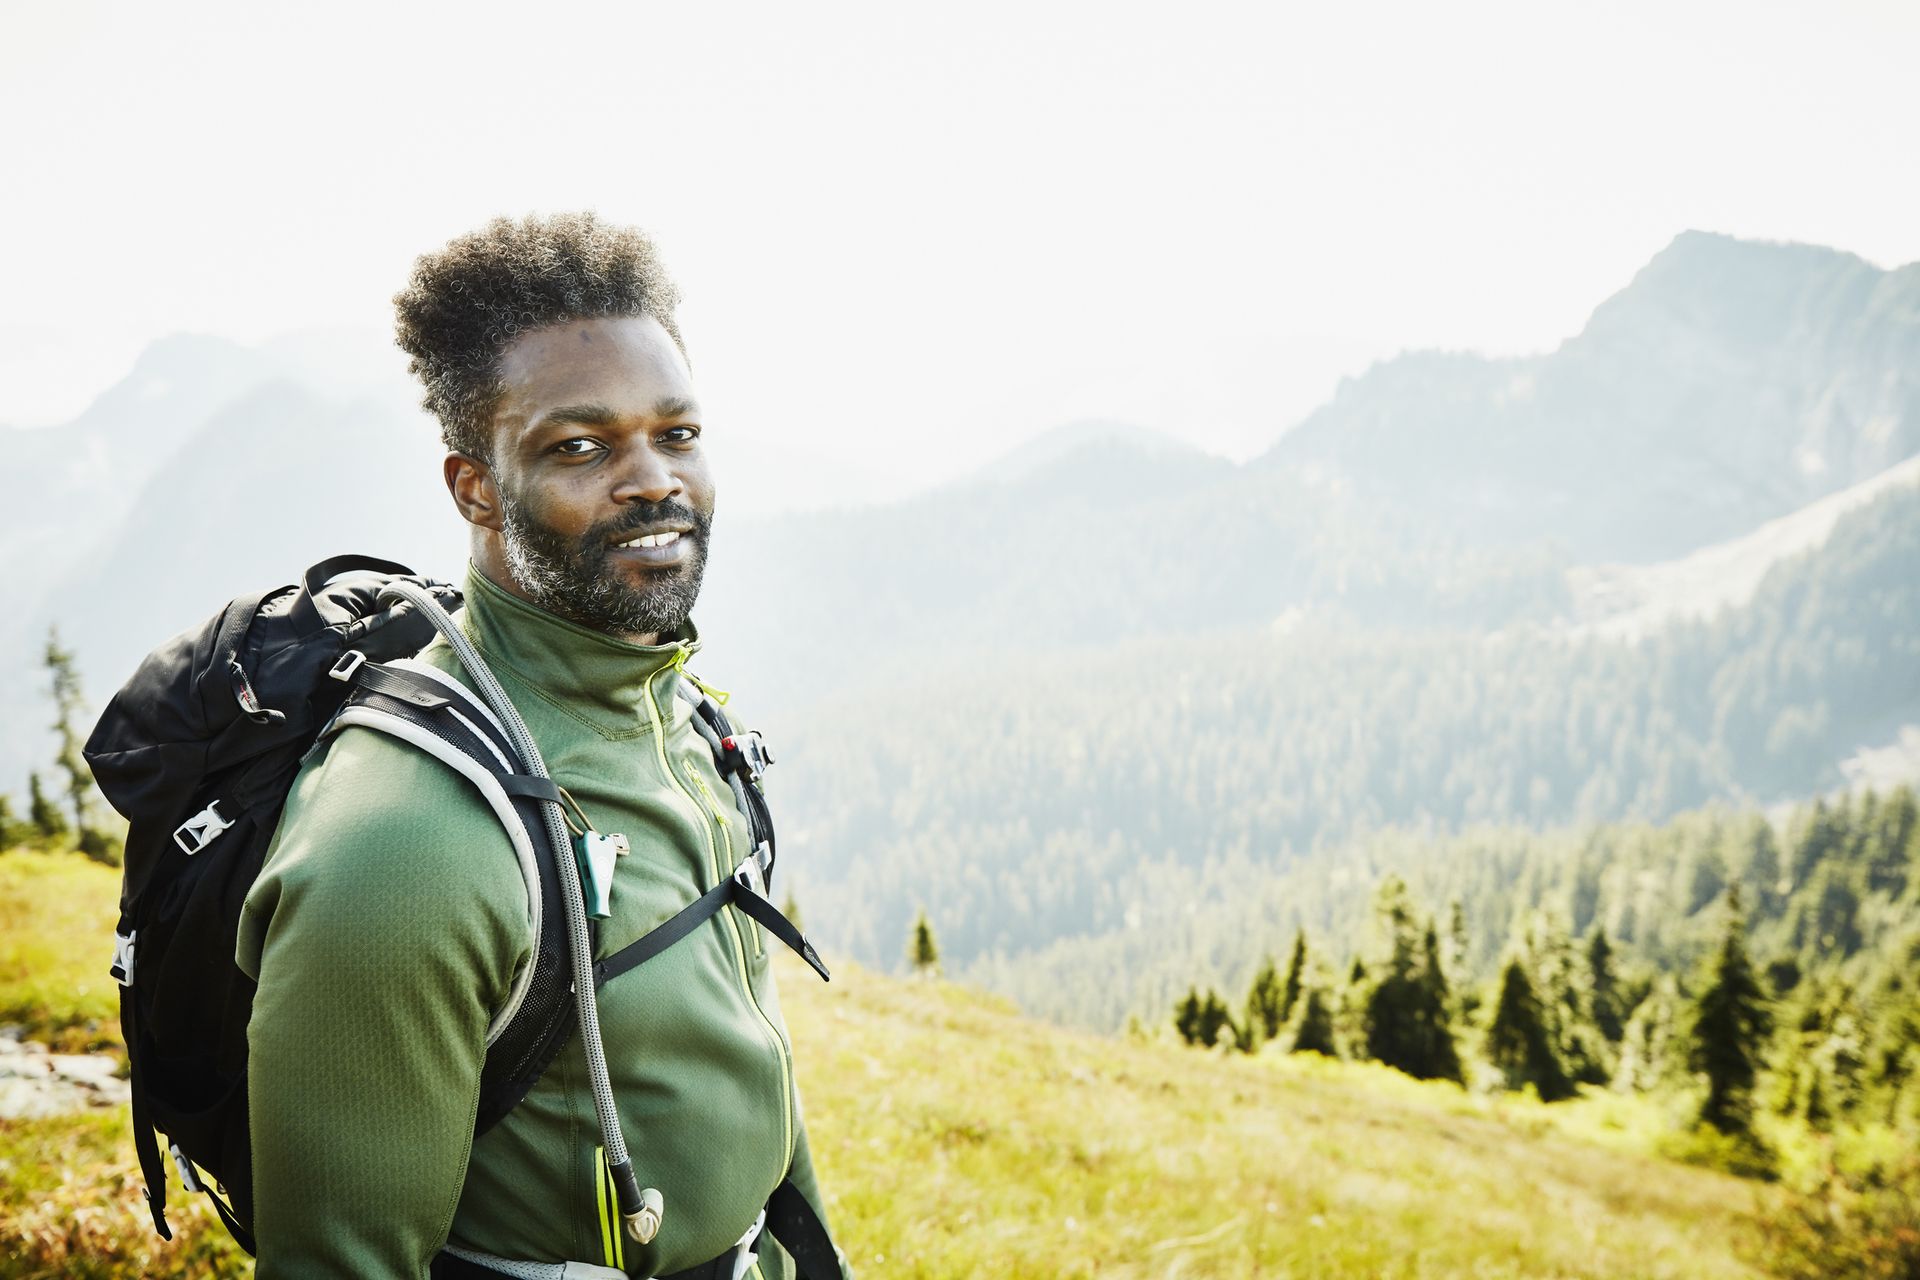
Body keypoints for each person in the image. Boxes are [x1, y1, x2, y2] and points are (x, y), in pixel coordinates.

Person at [236, 213, 840, 1279]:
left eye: (678, 432)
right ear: (474, 487)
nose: (653, 478)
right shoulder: (407, 842)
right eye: (580, 446)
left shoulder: (675, 714)